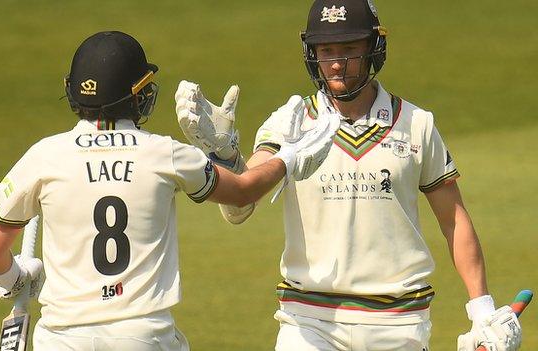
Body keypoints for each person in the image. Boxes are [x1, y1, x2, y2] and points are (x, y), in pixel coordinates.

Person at [174, 1, 524, 350]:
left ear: (373, 49)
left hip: (399, 323)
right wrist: (225, 156)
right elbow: (239, 206)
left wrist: (482, 310)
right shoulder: (289, 122)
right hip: (308, 321)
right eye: (326, 50)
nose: (337, 63)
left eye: (349, 49)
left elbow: (454, 220)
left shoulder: (417, 124)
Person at [0, 31, 337, 351]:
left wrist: (16, 279)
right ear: (136, 95)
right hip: (143, 336)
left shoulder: (44, 156)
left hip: (60, 338)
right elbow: (243, 192)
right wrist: (287, 159)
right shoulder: (165, 153)